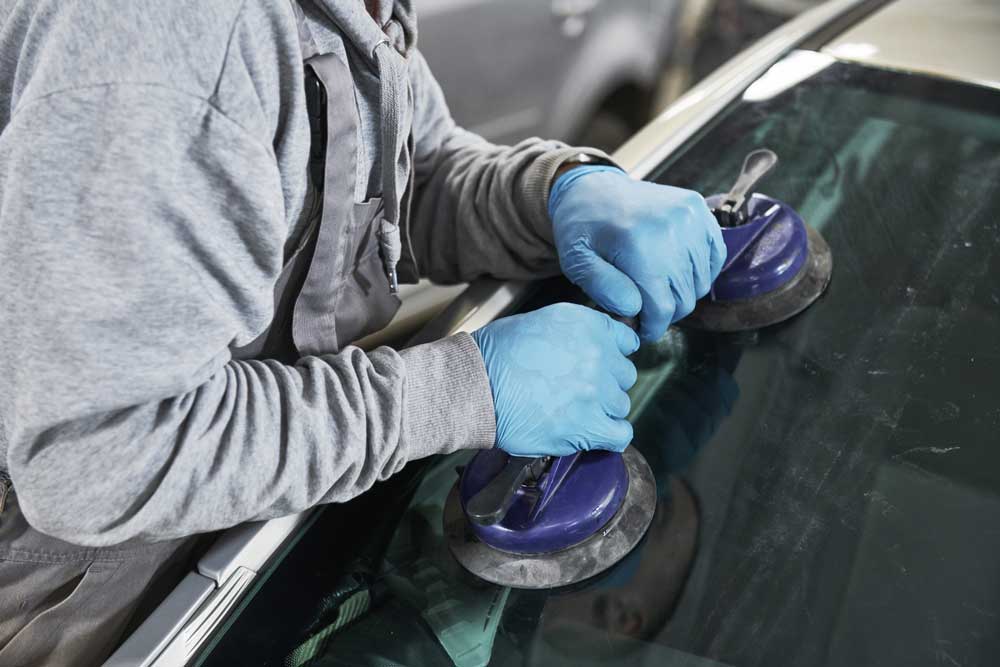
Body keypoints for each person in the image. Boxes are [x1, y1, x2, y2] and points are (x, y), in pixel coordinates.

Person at [0, 0, 725, 663]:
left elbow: (407, 176)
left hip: (242, 539)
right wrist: (453, 392)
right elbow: (99, 454)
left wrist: (553, 192)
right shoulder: (175, 41)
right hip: (73, 607)